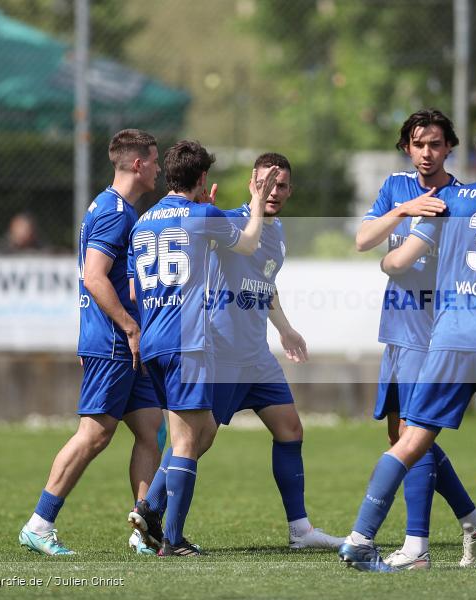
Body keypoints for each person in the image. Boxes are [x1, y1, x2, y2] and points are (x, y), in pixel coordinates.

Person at [338, 121, 476, 571]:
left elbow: (397, 259)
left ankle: (361, 538)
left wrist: (388, 258)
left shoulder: (453, 199)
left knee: (410, 439)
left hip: (449, 335)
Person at [129, 152, 343, 552]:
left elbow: (266, 285)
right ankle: (152, 513)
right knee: (195, 440)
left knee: (290, 429)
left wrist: (286, 329)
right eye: (264, 183)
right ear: (250, 183)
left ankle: (300, 530)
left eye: (280, 185)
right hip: (219, 350)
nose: (272, 192)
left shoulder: (276, 233)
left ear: (291, 190)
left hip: (257, 356)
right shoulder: (223, 218)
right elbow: (206, 248)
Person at [354, 109, 476, 569]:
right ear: (406, 147)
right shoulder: (396, 187)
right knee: (402, 434)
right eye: (418, 144)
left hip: (431, 329)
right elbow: (363, 239)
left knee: (412, 438)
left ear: (449, 147)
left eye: (435, 144)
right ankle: (472, 519)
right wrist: (402, 209)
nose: (426, 152)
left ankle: (416, 546)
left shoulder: (460, 197)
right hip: (396, 328)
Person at [126, 140, 277, 557]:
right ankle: (171, 539)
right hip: (187, 342)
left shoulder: (143, 223)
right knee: (189, 444)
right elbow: (247, 243)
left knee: (198, 430)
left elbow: (136, 289)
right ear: (203, 178)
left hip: (153, 340)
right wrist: (257, 202)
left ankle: (149, 508)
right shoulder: (203, 215)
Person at [18, 129, 164, 556]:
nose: (158, 167)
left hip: (122, 342)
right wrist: (130, 326)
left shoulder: (114, 208)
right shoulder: (116, 212)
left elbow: (113, 278)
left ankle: (144, 527)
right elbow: (94, 276)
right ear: (138, 164)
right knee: (94, 435)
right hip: (116, 342)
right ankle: (39, 523)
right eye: (154, 160)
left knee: (149, 429)